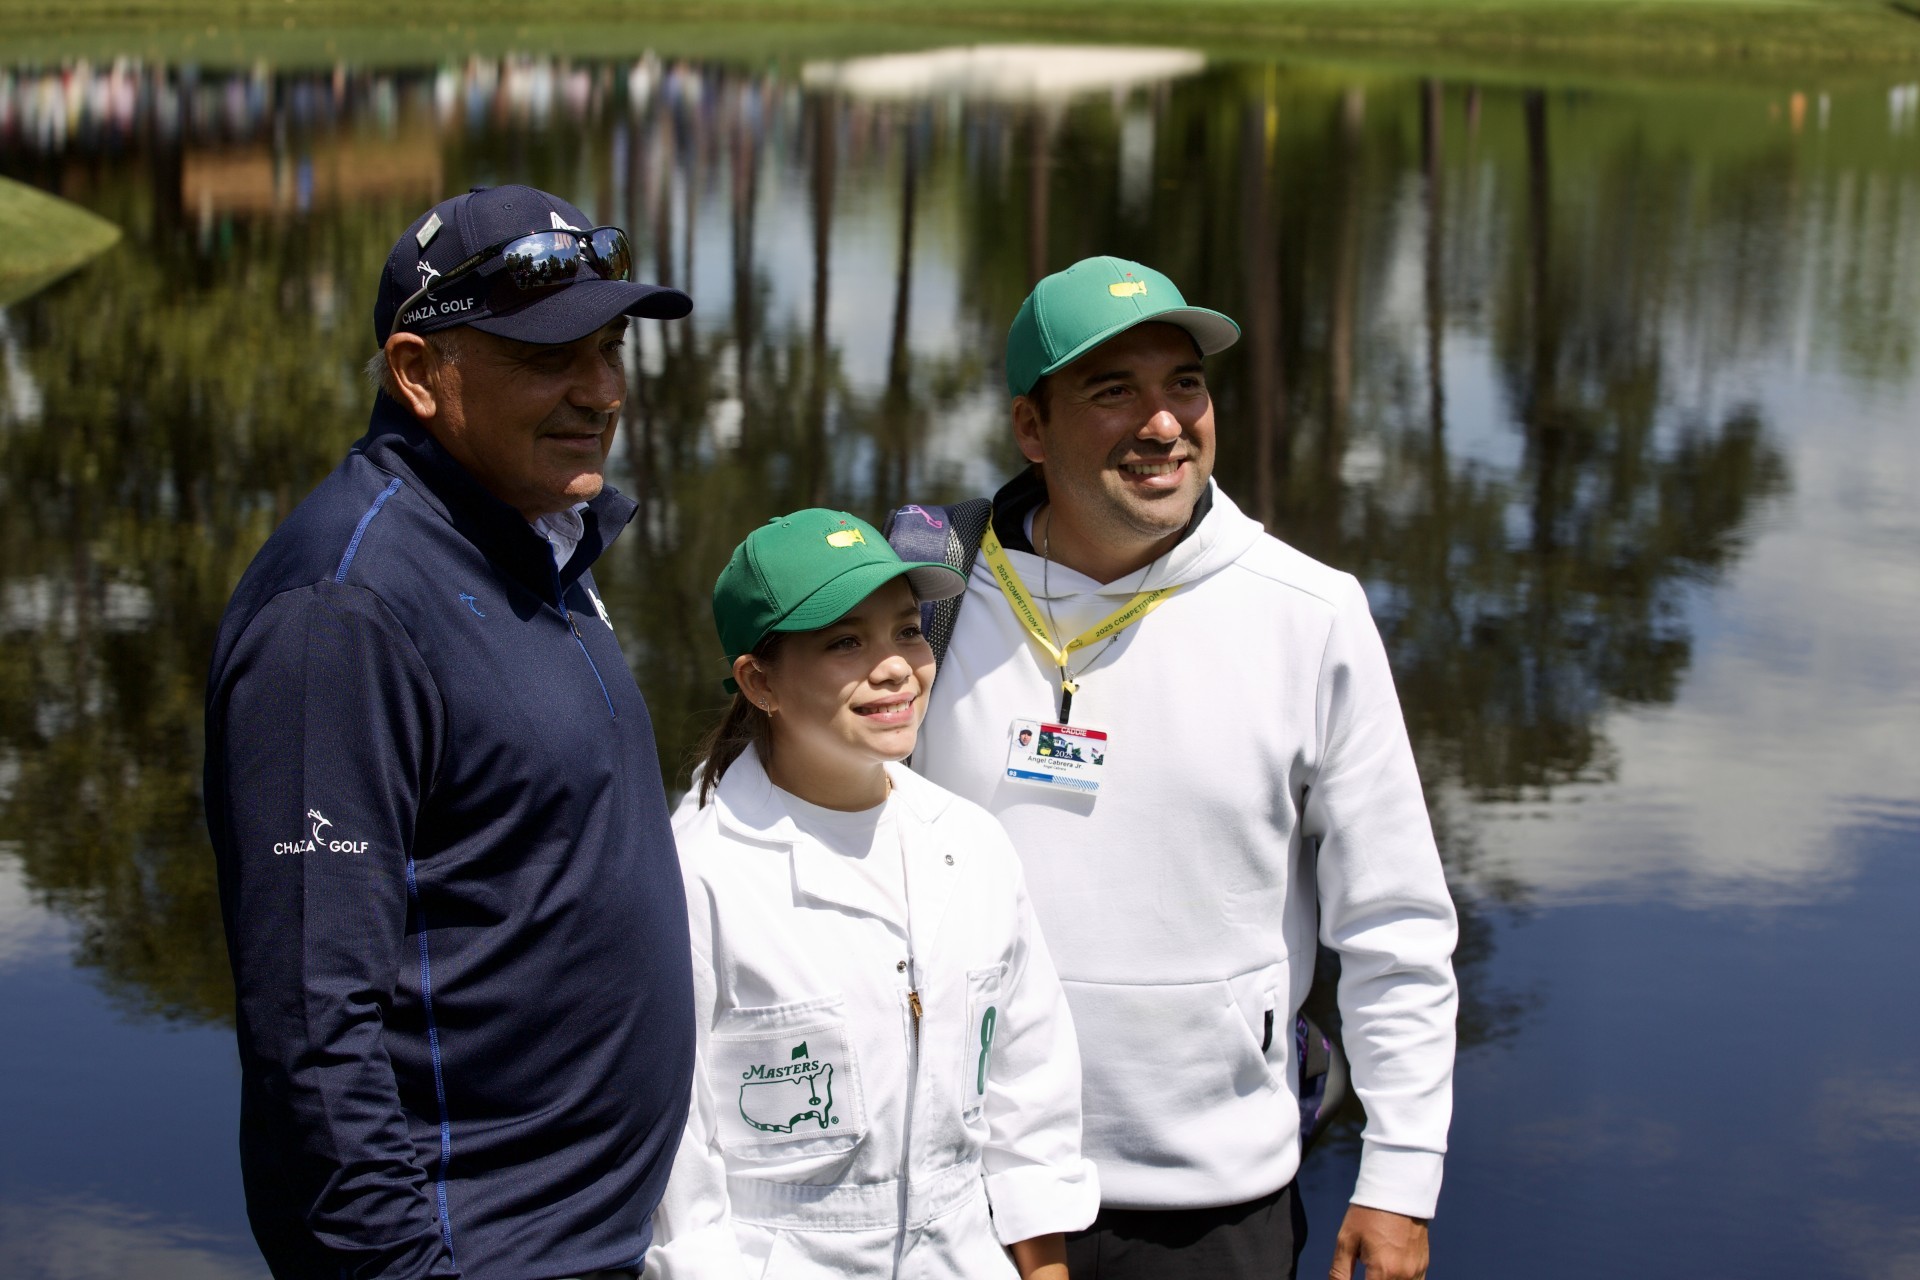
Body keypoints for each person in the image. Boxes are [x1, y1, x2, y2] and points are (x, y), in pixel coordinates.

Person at [909, 257, 1459, 1280]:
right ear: (1032, 428)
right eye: (1113, 390)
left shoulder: (1310, 614)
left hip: (1217, 1201)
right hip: (965, 1187)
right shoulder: (923, 601)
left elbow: (1395, 921)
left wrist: (1401, 1172)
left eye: (1185, 385)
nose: (1163, 423)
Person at [204, 185, 697, 1280]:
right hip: (467, 1255)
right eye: (550, 354)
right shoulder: (343, 611)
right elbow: (310, 1030)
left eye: (610, 347)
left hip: (584, 1244)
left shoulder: (526, 538)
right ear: (419, 373)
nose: (603, 389)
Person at [646, 510, 1099, 1279]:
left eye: (907, 631)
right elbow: (680, 1169)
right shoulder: (696, 876)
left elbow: (1031, 1084)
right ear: (759, 681)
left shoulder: (972, 845)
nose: (894, 668)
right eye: (844, 643)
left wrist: (1044, 1265)